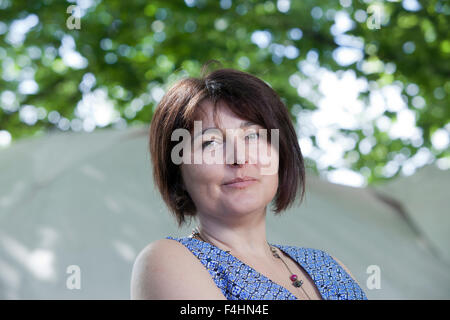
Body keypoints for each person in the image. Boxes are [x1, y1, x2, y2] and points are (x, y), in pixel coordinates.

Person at [130, 63, 368, 300]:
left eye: (253, 136)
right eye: (209, 143)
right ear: (178, 174)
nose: (239, 158)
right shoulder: (167, 260)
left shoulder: (330, 267)